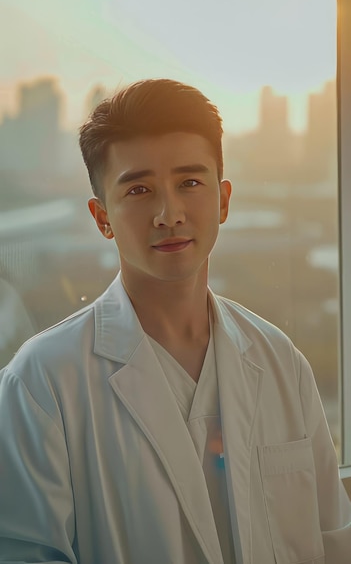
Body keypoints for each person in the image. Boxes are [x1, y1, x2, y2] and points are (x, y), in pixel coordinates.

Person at [0, 78, 350, 564]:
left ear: (224, 199)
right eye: (139, 189)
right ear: (101, 217)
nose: (169, 214)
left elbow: (334, 542)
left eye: (190, 183)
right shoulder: (41, 383)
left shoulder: (281, 362)